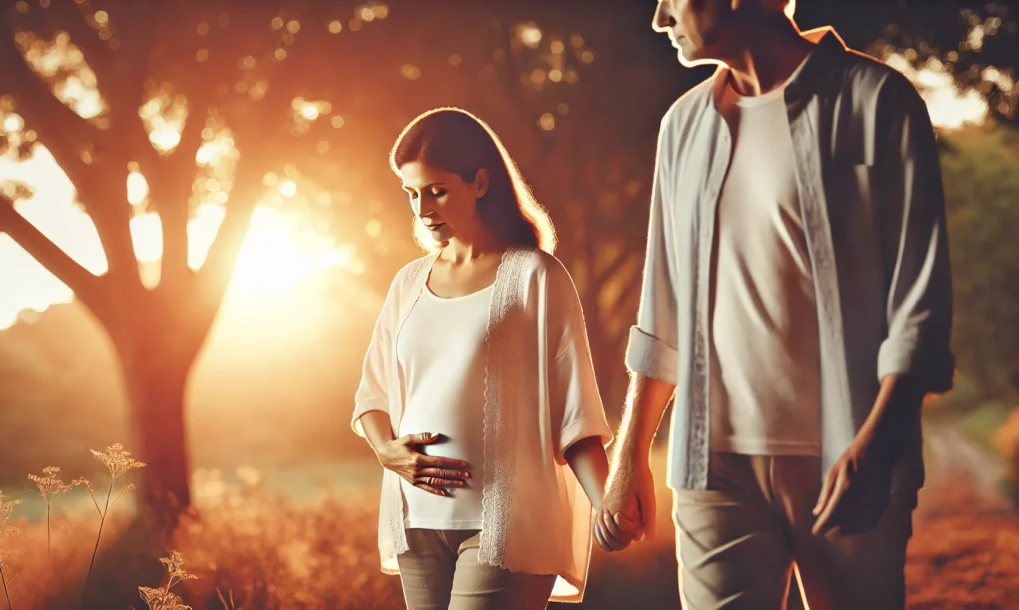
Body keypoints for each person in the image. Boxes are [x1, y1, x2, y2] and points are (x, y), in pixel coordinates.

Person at [594, 1, 954, 609]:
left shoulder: (875, 101)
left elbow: (919, 297)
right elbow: (663, 309)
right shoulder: (683, 126)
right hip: (714, 467)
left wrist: (880, 439)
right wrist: (629, 455)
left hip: (848, 460)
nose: (658, 19)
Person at [352, 107, 613, 609]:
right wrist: (386, 451)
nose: (423, 208)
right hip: (416, 521)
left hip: (507, 523)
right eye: (412, 193)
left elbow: (575, 411)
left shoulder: (536, 276)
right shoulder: (408, 283)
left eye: (437, 190)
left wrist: (609, 505)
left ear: (480, 182)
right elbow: (371, 395)